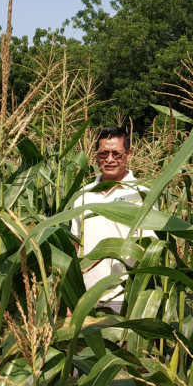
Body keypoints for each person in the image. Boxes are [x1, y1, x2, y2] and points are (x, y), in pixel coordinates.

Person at [70, 126, 146, 312]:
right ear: (96, 156)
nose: (110, 159)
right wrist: (69, 296)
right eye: (103, 153)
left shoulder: (141, 195)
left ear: (128, 155)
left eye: (116, 154)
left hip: (124, 297)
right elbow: (74, 247)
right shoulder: (84, 196)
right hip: (85, 297)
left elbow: (147, 248)